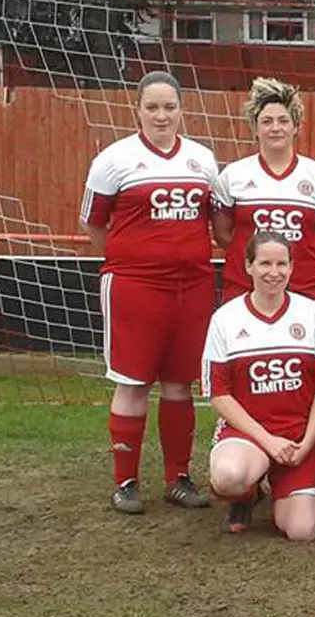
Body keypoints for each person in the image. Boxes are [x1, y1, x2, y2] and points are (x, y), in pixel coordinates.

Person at [80, 71, 218, 514]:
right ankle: (126, 482)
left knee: (180, 384)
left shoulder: (202, 159)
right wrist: (130, 260)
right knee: (133, 382)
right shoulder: (113, 159)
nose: (162, 115)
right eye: (152, 107)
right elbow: (93, 224)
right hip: (135, 287)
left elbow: (211, 222)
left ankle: (178, 477)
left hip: (193, 286)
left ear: (182, 110)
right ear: (137, 110)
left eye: (169, 107)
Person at [202, 232, 315, 540]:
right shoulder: (226, 319)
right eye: (264, 263)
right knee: (229, 476)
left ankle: (285, 487)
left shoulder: (312, 313)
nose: (274, 272)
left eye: (281, 264)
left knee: (302, 532)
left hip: (299, 436)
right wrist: (268, 440)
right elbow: (218, 394)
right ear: (248, 266)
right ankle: (245, 495)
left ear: (291, 267)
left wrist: (308, 441)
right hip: (251, 435)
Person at [212, 77, 315, 302]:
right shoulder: (233, 176)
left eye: (283, 121)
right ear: (255, 127)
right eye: (267, 121)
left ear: (296, 127)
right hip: (243, 291)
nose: (275, 128)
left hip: (303, 291)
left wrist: (300, 254)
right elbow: (223, 235)